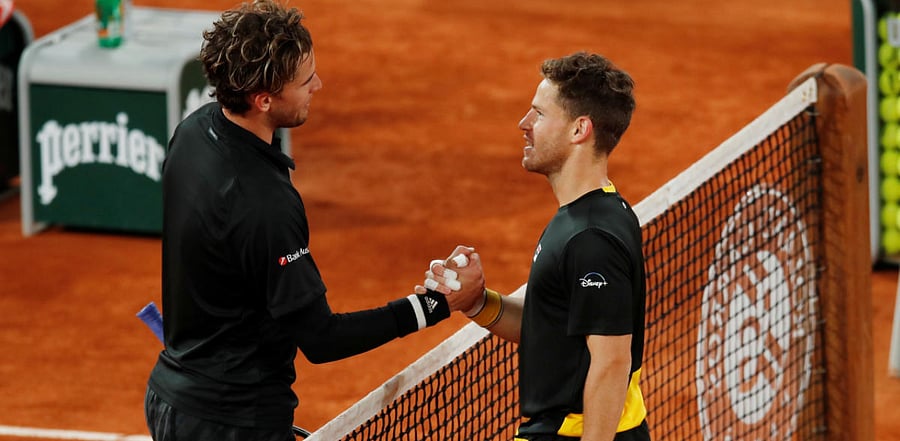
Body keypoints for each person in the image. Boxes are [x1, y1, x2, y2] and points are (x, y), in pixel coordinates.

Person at [144, 1, 453, 440]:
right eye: (305, 81)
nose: (318, 85)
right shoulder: (263, 204)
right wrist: (433, 305)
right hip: (227, 424)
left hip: (174, 396)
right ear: (264, 99)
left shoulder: (195, 130)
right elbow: (321, 339)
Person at [424, 52, 651, 441]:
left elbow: (612, 363)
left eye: (539, 114)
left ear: (580, 130)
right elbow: (556, 324)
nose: (523, 124)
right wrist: (479, 303)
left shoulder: (590, 239)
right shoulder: (594, 211)